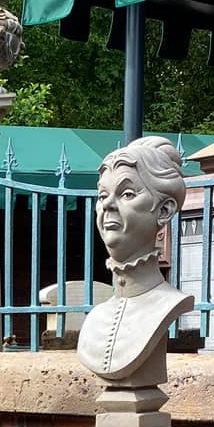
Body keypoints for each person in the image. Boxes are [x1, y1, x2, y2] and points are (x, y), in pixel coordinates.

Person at [76, 137, 193, 386]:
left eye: (127, 193)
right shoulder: (97, 317)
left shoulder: (169, 304)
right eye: (102, 195)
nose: (107, 204)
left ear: (164, 210)